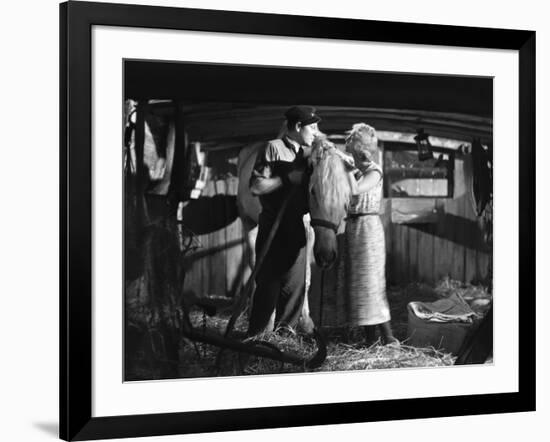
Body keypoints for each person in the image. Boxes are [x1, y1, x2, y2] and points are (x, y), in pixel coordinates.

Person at [246, 106, 320, 336]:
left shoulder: (310, 154)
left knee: (294, 292)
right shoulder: (272, 148)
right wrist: (286, 178)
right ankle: (256, 343)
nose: (317, 132)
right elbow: (256, 186)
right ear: (298, 127)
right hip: (273, 229)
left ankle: (285, 342)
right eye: (313, 127)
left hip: (297, 229)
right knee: (268, 290)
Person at [337, 123, 399, 346]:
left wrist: (344, 168)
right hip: (354, 227)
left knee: (371, 284)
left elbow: (354, 190)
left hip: (368, 228)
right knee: (360, 286)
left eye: (353, 146)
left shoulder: (374, 170)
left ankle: (388, 337)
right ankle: (372, 338)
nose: (350, 150)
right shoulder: (357, 170)